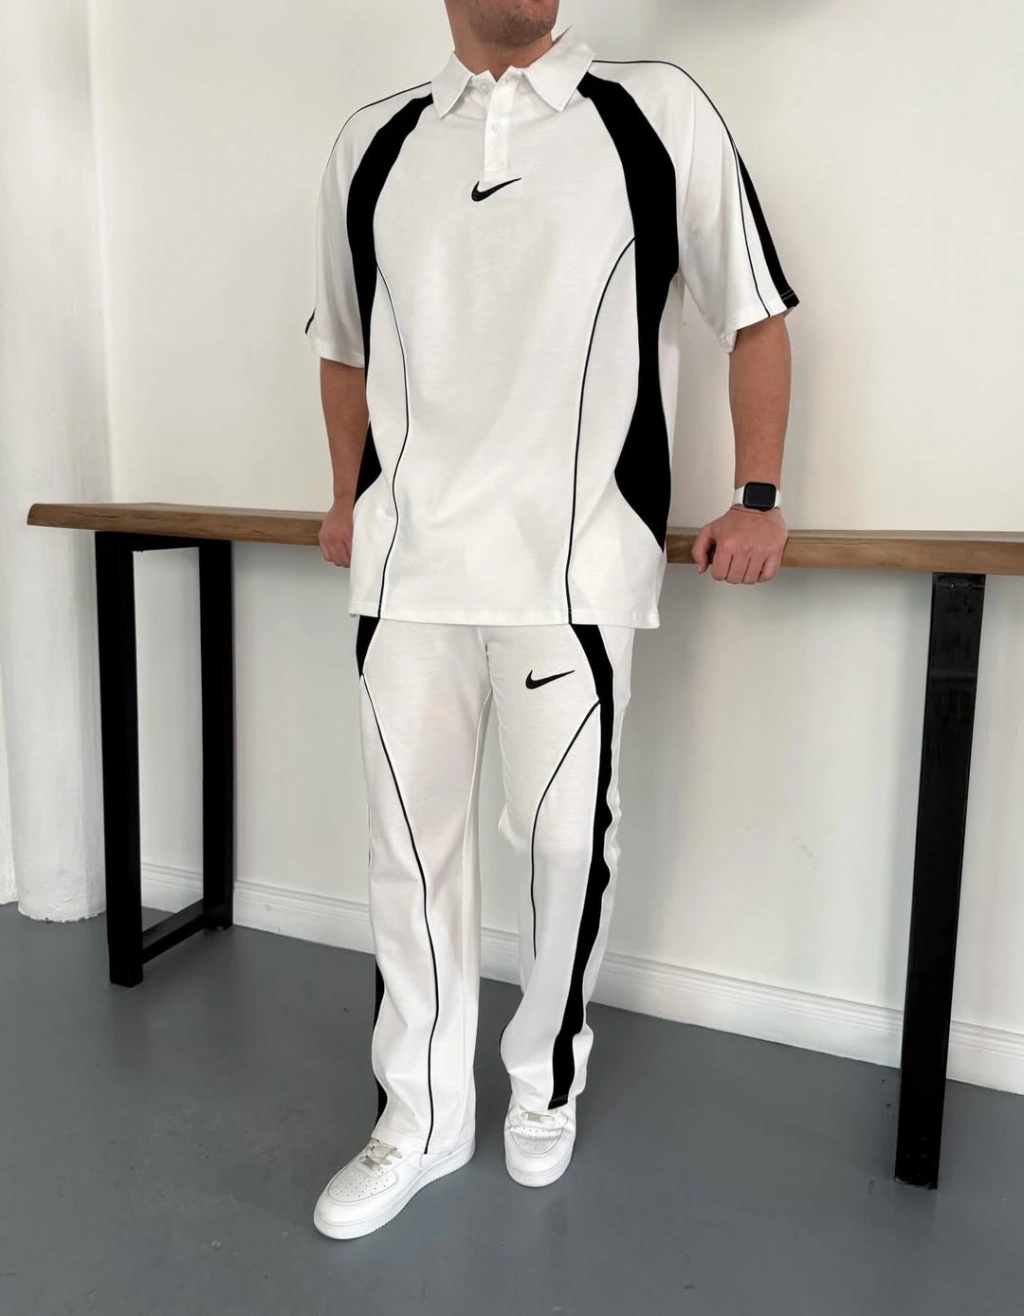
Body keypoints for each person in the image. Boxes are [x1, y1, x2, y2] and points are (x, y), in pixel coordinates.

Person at [305, 0, 797, 1240]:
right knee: (407, 855)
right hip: (408, 571)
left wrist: (757, 494)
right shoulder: (373, 141)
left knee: (565, 848)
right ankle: (418, 1118)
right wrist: (344, 495)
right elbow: (343, 344)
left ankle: (544, 1085)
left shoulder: (655, 111)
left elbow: (753, 311)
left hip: (571, 572)